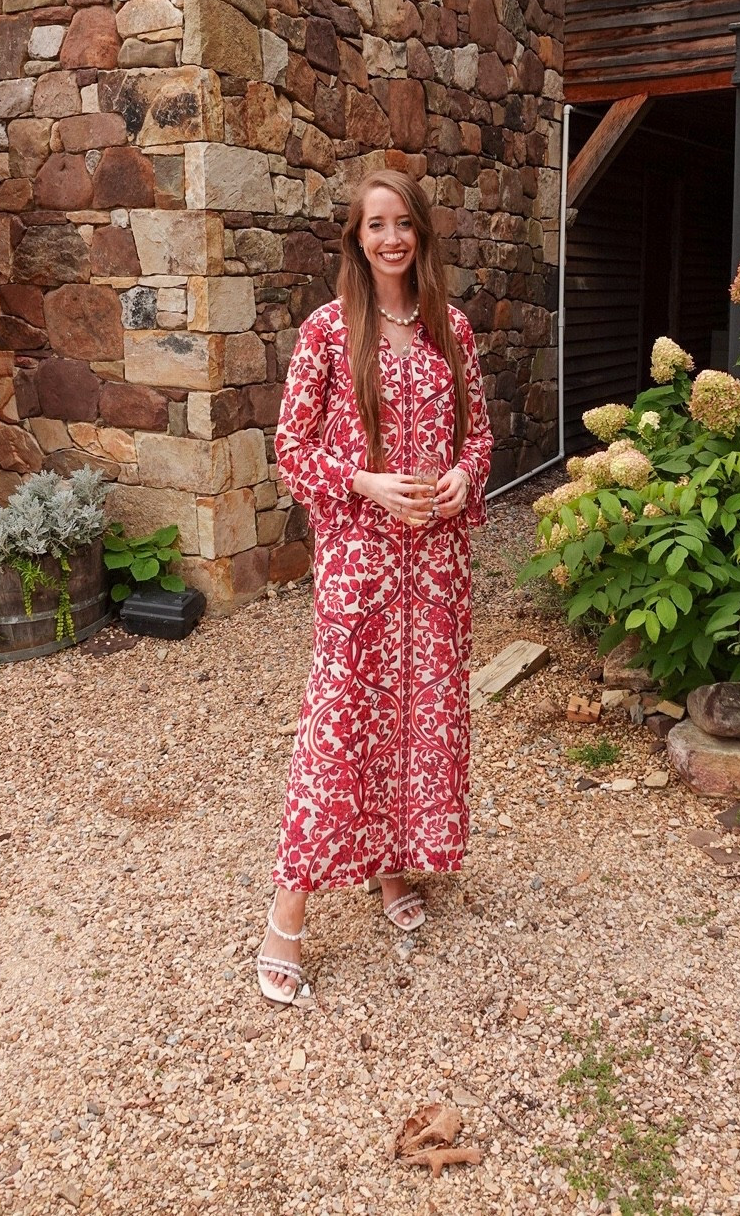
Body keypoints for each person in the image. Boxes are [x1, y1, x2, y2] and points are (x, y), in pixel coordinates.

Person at [257, 168, 494, 1004]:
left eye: (402, 224)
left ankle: (394, 866)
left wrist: (463, 477)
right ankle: (286, 916)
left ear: (419, 233)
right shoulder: (327, 330)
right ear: (356, 239)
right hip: (359, 563)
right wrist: (365, 482)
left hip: (436, 570)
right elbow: (290, 450)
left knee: (418, 719)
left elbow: (479, 437)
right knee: (338, 727)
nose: (390, 238)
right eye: (375, 225)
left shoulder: (450, 328)